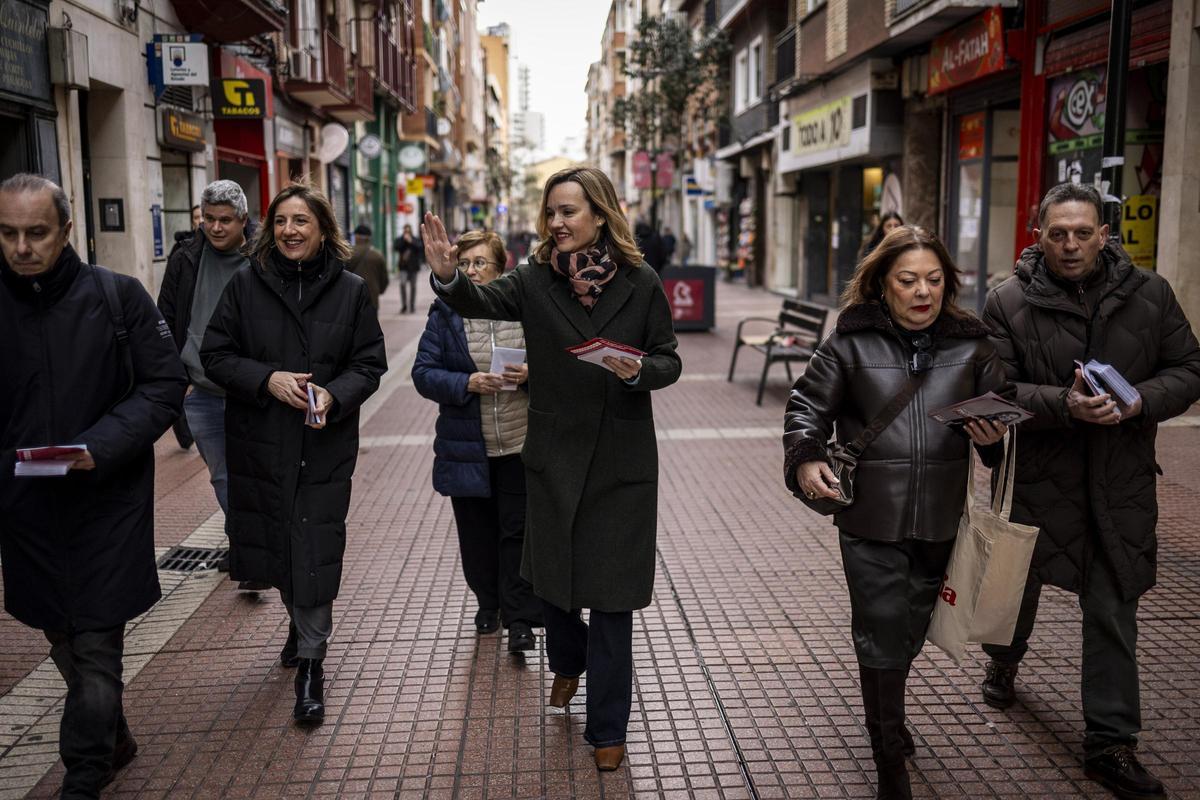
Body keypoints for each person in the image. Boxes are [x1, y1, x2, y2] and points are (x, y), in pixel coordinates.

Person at [422, 166, 682, 771]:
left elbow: (668, 358)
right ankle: (568, 662)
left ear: (600, 214)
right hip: (554, 455)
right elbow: (479, 300)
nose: (558, 223)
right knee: (557, 587)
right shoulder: (534, 279)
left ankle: (608, 728)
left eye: (569, 211)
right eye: (552, 213)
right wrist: (447, 275)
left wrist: (637, 370)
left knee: (614, 600)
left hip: (622, 462)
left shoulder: (642, 282)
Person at [980, 182, 1200, 800]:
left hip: (1118, 485)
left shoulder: (1151, 294)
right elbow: (996, 389)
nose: (1071, 244)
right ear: (1038, 235)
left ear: (1105, 234)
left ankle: (1110, 742)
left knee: (1111, 609)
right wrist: (1064, 405)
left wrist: (1136, 404)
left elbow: (1189, 368)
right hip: (1036, 483)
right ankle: (1004, 659)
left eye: (1083, 232)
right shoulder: (1008, 300)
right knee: (1015, 595)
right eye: (1058, 234)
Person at [783, 225, 1009, 800]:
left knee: (907, 632)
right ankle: (888, 755)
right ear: (883, 284)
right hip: (870, 519)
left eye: (933, 280)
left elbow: (997, 428)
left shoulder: (973, 345)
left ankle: (888, 717)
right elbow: (807, 407)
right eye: (907, 280)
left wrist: (990, 439)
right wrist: (806, 457)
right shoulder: (849, 344)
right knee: (882, 634)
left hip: (939, 520)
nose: (922, 292)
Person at [0, 174, 188, 799]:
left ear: (67, 230)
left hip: (108, 505)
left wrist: (97, 448)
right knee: (63, 634)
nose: (22, 247)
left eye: (37, 233)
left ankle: (84, 773)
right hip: (28, 510)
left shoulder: (118, 297)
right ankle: (114, 736)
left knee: (97, 641)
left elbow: (162, 387)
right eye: (8, 233)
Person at [200, 184, 388, 725]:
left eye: (301, 221)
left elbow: (369, 363)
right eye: (281, 221)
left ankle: (311, 663)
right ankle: (299, 626)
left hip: (324, 446)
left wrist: (336, 393)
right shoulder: (244, 284)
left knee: (313, 545)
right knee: (278, 544)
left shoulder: (351, 291)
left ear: (323, 228)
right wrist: (267, 379)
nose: (290, 231)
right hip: (261, 443)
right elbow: (215, 354)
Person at [411, 230, 543, 654]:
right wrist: (466, 381)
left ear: (501, 267)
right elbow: (423, 373)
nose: (470, 271)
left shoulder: (523, 311)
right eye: (464, 263)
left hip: (519, 443)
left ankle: (519, 618)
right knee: (476, 534)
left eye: (480, 263)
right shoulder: (445, 314)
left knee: (517, 532)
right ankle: (488, 602)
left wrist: (531, 377)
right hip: (467, 446)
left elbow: (555, 366)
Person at [157, 180, 269, 587]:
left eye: (225, 220)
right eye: (209, 219)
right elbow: (165, 318)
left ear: (244, 220)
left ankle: (253, 551)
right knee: (223, 477)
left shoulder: (264, 256)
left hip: (253, 390)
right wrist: (176, 377)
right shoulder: (186, 256)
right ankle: (245, 547)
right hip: (202, 392)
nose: (216, 228)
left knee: (256, 474)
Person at [348, 223, 389, 315]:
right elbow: (384, 279)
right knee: (371, 327)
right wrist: (379, 290)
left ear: (357, 237)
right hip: (372, 297)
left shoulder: (348, 254)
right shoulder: (378, 255)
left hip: (352, 297)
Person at [395, 223, 424, 313]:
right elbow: (396, 247)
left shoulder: (415, 239)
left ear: (411, 231)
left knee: (413, 287)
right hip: (403, 267)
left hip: (413, 267)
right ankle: (404, 305)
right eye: (405, 231)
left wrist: (410, 241)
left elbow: (420, 247)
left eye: (408, 231)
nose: (407, 232)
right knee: (402, 284)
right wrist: (404, 241)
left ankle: (412, 305)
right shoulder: (400, 239)